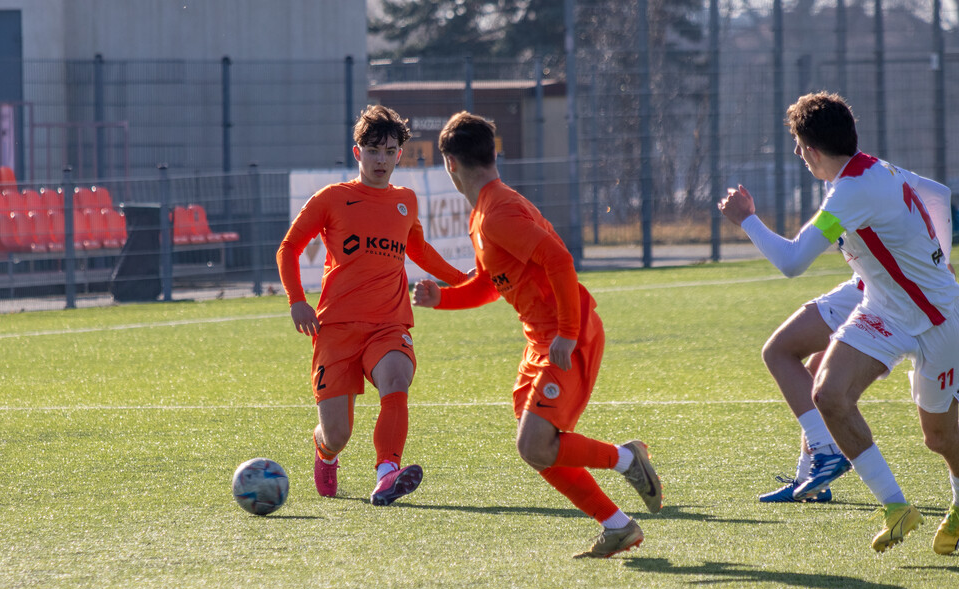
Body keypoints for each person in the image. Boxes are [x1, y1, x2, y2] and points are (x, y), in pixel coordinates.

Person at [413, 111, 662, 559]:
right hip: (541, 339)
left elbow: (560, 261)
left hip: (569, 333)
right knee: (538, 450)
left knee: (534, 443)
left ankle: (628, 459)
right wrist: (442, 299)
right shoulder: (485, 213)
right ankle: (618, 525)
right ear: (494, 154)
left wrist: (567, 333)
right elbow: (492, 283)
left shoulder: (498, 212)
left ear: (450, 164)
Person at [719, 91, 959, 554]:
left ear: (810, 149)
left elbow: (792, 262)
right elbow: (939, 194)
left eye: (797, 145)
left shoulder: (850, 192)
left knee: (939, 437)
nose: (796, 155)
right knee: (828, 394)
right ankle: (896, 506)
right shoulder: (872, 168)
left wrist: (747, 220)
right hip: (884, 308)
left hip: (937, 319)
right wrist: (939, 254)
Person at [276, 104, 470, 506]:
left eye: (389, 151)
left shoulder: (406, 200)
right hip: (336, 329)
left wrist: (465, 280)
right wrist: (297, 301)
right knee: (338, 434)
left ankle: (387, 473)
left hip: (388, 323)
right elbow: (289, 247)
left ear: (400, 154)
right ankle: (324, 450)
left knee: (397, 377)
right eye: (373, 150)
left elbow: (419, 251)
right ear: (357, 153)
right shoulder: (332, 198)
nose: (381, 159)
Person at [757, 276, 864, 503]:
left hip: (881, 290)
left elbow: (793, 260)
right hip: (881, 285)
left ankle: (827, 450)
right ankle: (808, 479)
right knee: (816, 376)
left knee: (777, 351)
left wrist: (753, 236)